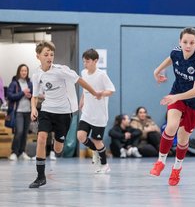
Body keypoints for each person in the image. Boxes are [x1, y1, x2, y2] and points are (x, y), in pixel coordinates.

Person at [29, 41, 101, 188]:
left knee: (58, 149)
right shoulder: (37, 75)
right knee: (42, 137)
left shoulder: (61, 70)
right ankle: (40, 176)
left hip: (63, 114)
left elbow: (80, 80)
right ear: (38, 56)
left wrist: (94, 93)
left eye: (51, 54)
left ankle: (58, 141)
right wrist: (33, 109)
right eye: (46, 54)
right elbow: (34, 96)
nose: (49, 57)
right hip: (47, 110)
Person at [149, 27, 195, 186]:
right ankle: (160, 162)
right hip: (177, 94)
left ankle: (176, 169)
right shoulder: (176, 51)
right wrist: (157, 71)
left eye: (191, 42)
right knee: (171, 126)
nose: (188, 45)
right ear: (180, 42)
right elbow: (171, 58)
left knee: (183, 139)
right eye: (185, 42)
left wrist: (174, 97)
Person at [77, 49, 115, 173]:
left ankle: (104, 165)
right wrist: (82, 99)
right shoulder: (84, 72)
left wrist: (101, 93)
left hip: (99, 114)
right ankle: (96, 152)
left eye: (87, 61)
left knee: (97, 140)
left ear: (95, 61)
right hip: (87, 112)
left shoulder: (102, 75)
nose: (85, 64)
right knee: (81, 136)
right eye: (84, 61)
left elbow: (111, 90)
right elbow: (85, 88)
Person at [7, 64, 33, 161]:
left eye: (25, 71)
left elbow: (33, 96)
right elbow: (10, 96)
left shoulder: (30, 83)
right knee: (19, 132)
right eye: (22, 70)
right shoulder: (14, 83)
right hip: (18, 111)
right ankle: (14, 152)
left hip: (28, 111)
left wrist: (30, 95)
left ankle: (22, 152)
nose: (24, 72)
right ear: (19, 72)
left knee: (25, 133)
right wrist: (23, 93)